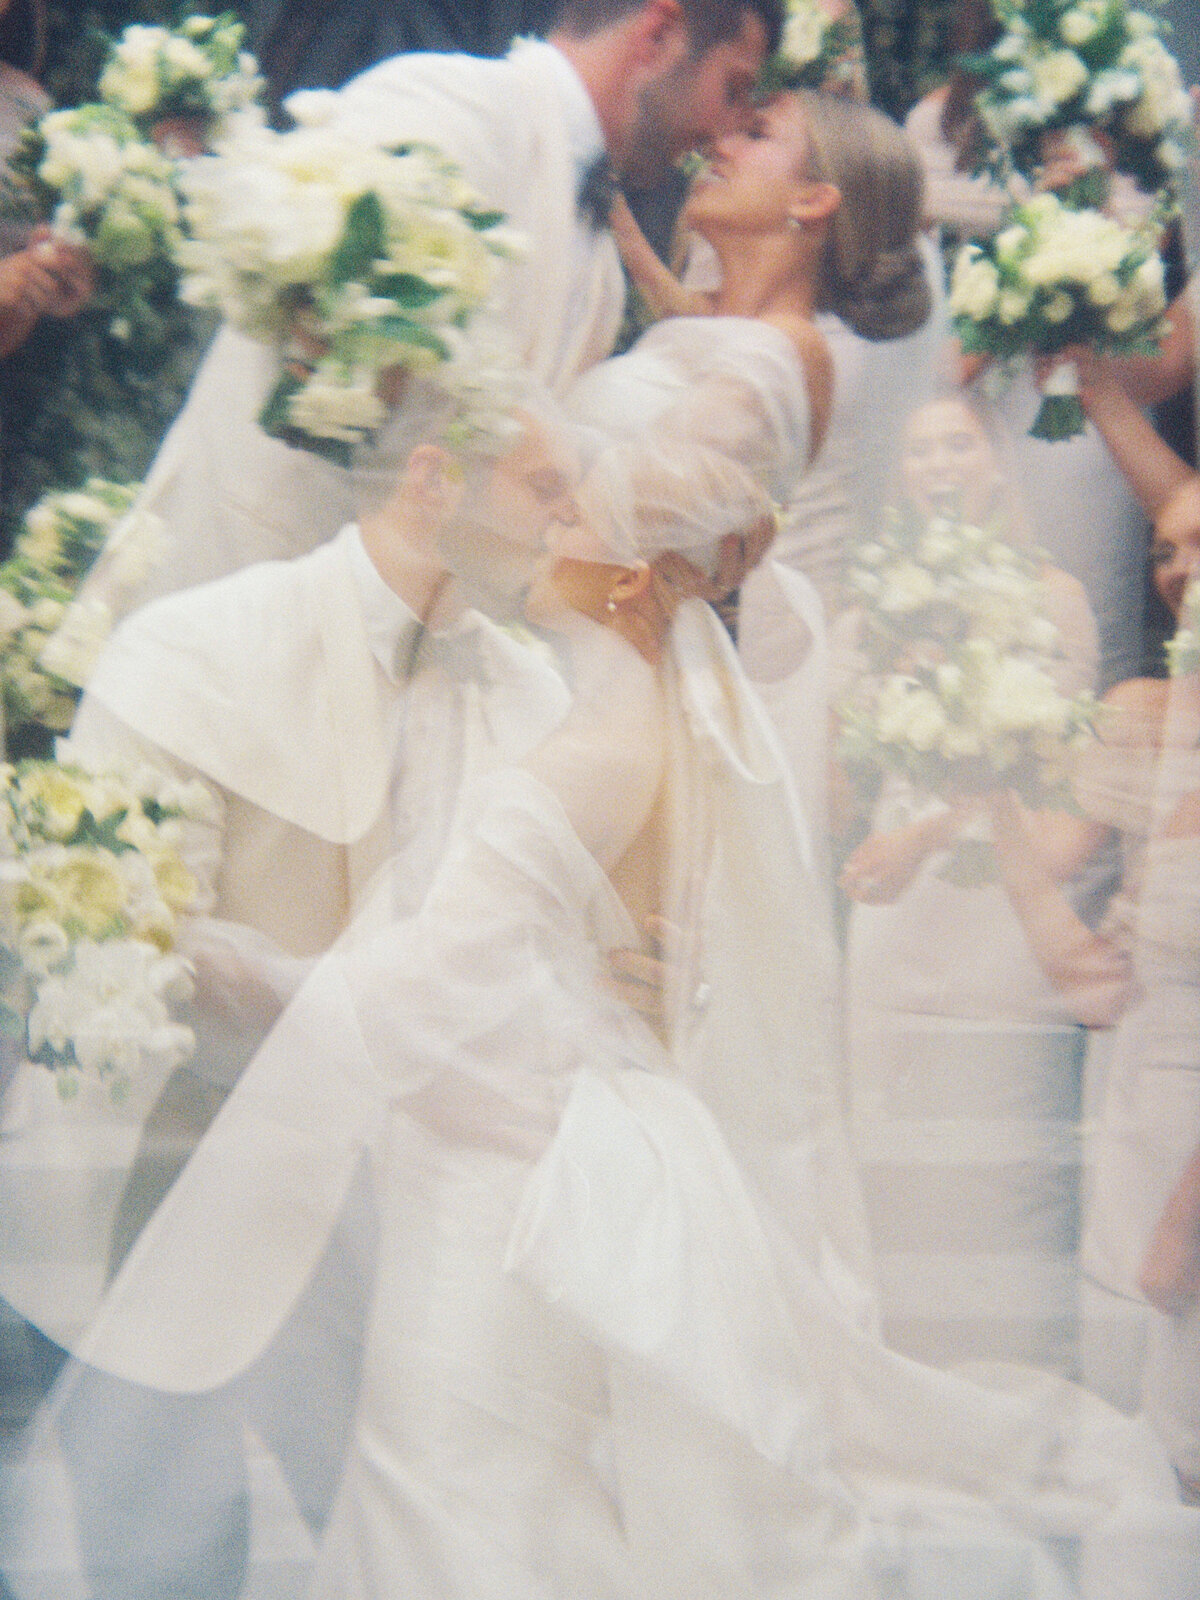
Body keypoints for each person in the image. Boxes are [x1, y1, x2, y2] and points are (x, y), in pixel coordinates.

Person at [0, 394, 582, 1600]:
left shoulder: (535, 694)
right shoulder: (197, 645)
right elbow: (127, 941)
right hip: (153, 1193)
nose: (572, 522)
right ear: (434, 479)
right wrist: (396, 1049)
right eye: (546, 488)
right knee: (161, 1564)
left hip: (403, 1232)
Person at [107, 0, 782, 613]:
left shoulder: (604, 276)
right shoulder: (448, 104)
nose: (726, 134)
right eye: (733, 89)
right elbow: (330, 356)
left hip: (385, 657)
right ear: (658, 34)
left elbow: (521, 487)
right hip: (233, 582)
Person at [836, 392, 1104, 1378]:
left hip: (1000, 901)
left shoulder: (1056, 599)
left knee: (991, 1153)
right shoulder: (876, 605)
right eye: (919, 450)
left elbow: (1056, 784)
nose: (937, 463)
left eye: (956, 443)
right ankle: (896, 1370)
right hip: (892, 912)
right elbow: (850, 754)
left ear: (996, 463)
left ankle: (998, 1381)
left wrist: (934, 829)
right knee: (889, 1138)